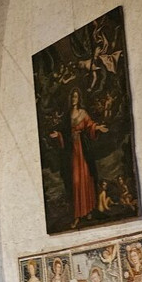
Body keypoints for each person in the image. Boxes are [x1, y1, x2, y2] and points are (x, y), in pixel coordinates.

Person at [49, 88, 108, 227]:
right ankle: (77, 215)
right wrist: (58, 135)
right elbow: (64, 130)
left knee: (86, 179)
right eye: (72, 97)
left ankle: (88, 211)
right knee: (76, 181)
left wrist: (97, 128)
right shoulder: (68, 115)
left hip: (83, 149)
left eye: (76, 96)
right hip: (73, 151)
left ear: (79, 98)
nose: (74, 99)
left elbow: (90, 125)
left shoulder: (83, 113)